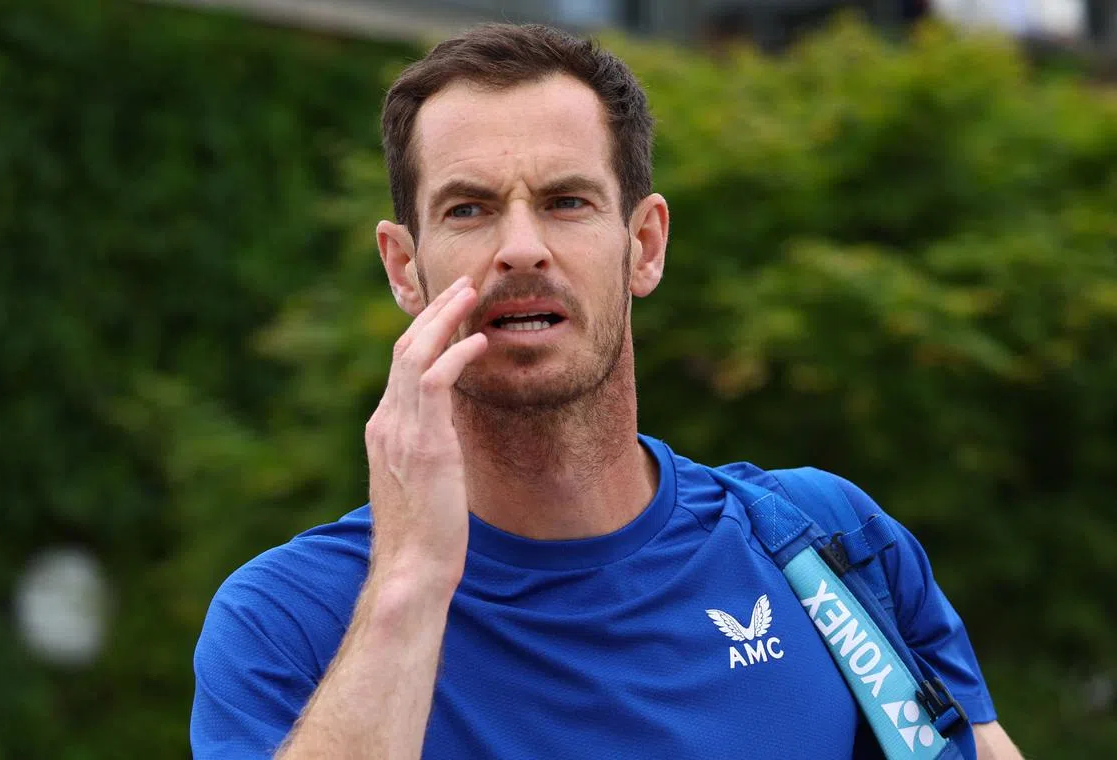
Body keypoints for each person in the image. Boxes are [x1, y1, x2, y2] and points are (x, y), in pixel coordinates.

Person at [190, 23, 1024, 760]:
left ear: (645, 245)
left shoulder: (826, 541)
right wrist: (409, 584)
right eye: (469, 209)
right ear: (405, 268)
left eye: (567, 202)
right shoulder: (287, 618)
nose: (521, 248)